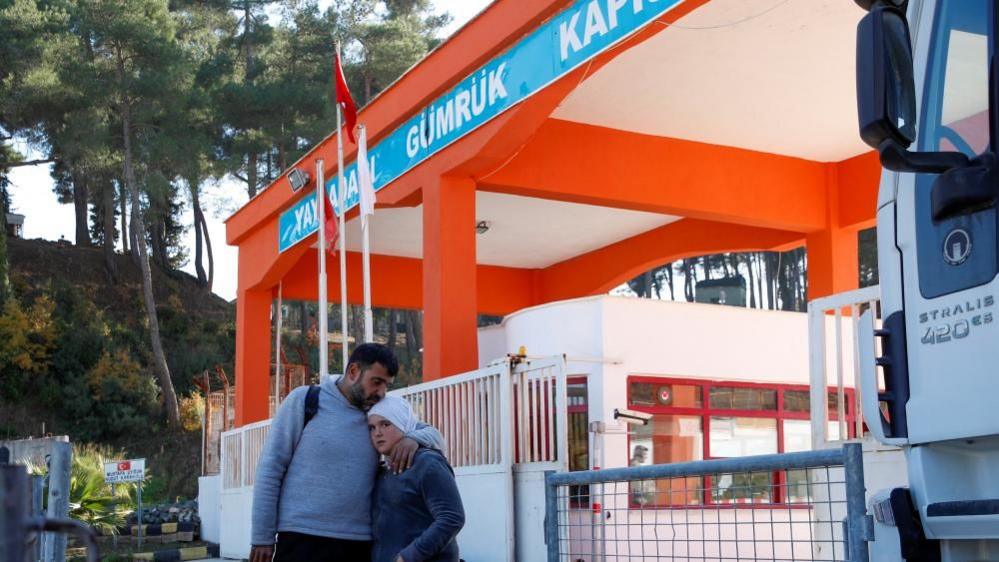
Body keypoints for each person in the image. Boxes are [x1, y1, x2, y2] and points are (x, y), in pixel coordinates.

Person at [250, 343, 445, 562]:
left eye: (386, 386)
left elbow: (435, 435)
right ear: (353, 372)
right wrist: (262, 537)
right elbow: (270, 469)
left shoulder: (377, 414)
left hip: (358, 545)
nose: (381, 393)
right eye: (376, 382)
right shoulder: (305, 400)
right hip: (300, 539)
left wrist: (413, 438)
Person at [368, 395, 464, 562]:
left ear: (402, 423)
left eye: (385, 424)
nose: (378, 433)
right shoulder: (383, 470)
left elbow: (451, 517)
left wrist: (409, 556)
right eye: (372, 427)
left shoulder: (427, 462)